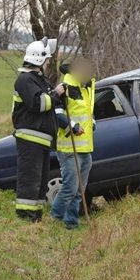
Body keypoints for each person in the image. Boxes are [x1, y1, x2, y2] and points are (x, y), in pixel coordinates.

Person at [12, 38, 62, 221]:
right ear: (39, 59)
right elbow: (38, 104)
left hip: (41, 140)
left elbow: (50, 101)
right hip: (30, 139)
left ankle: (36, 217)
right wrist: (55, 94)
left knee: (40, 182)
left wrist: (60, 95)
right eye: (47, 59)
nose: (49, 63)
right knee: (30, 179)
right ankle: (26, 216)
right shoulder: (25, 80)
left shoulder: (38, 79)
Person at [51, 57, 96, 229]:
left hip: (85, 147)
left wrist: (93, 122)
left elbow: (86, 112)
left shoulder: (86, 88)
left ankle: (71, 223)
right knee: (70, 187)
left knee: (79, 190)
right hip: (69, 147)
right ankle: (54, 218)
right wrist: (72, 126)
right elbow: (56, 112)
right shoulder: (66, 88)